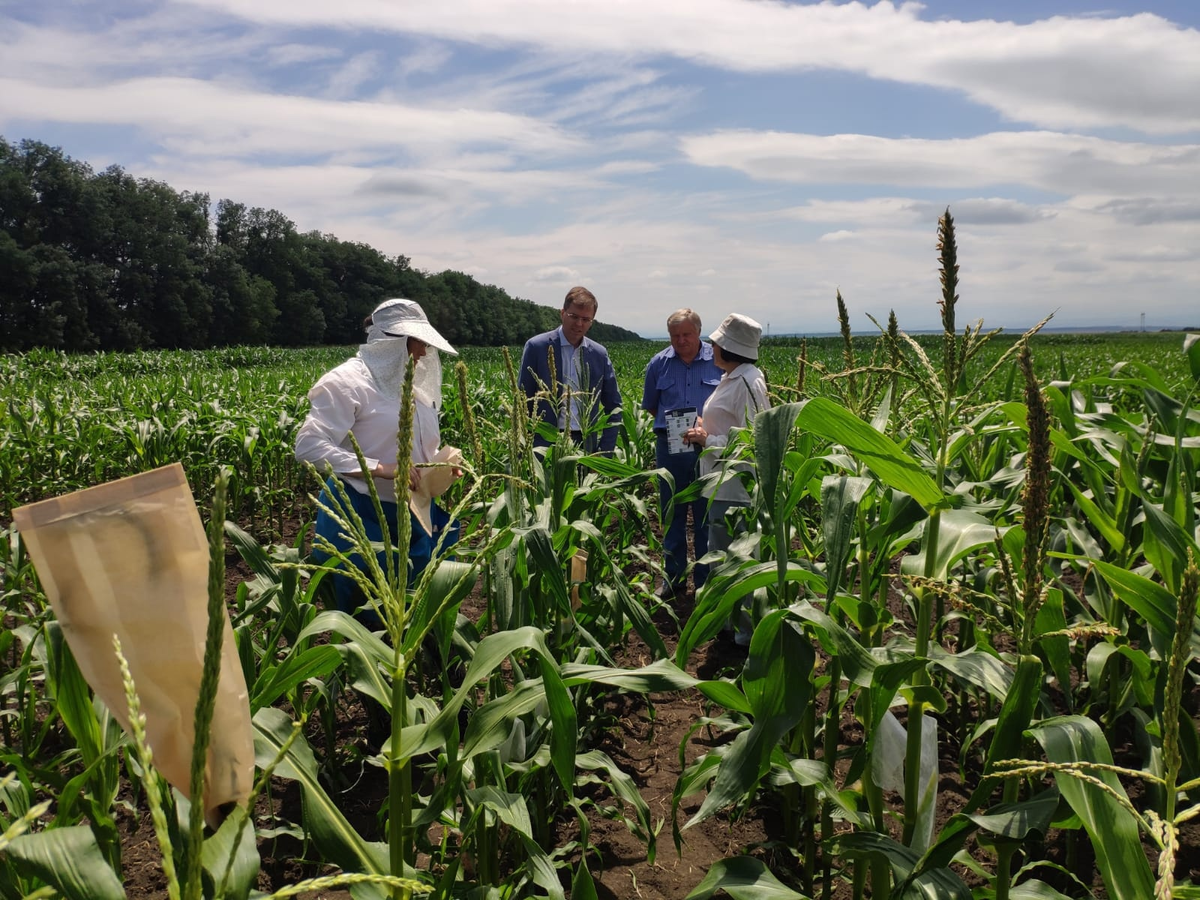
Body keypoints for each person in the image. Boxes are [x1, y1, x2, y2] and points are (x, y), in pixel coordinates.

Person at [295, 298, 461, 623]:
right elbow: (309, 446)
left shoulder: (413, 388)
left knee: (415, 610)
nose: (424, 354)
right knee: (369, 618)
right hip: (362, 512)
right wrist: (381, 469)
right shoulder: (346, 383)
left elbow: (418, 446)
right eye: (418, 344)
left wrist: (439, 469)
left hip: (413, 512)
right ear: (391, 343)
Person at [683, 313, 770, 645]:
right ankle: (729, 624)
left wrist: (709, 441)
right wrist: (706, 431)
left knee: (738, 560)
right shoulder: (735, 377)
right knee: (722, 556)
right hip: (722, 484)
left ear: (728, 348)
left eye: (716, 342)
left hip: (736, 490)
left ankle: (745, 636)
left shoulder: (748, 382)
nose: (711, 346)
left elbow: (754, 440)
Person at [641, 308, 723, 598]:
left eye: (686, 334)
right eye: (675, 336)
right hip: (670, 449)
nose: (681, 340)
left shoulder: (717, 360)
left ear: (699, 332)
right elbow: (652, 405)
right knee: (671, 512)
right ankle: (673, 580)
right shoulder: (658, 364)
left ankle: (703, 581)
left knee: (704, 515)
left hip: (706, 448)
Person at [519, 286, 622, 454]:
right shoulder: (537, 347)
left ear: (591, 322)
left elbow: (615, 407)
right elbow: (523, 400)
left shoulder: (598, 354)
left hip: (585, 443)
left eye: (586, 319)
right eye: (574, 316)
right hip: (544, 442)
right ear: (562, 313)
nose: (579, 324)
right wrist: (525, 446)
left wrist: (603, 453)